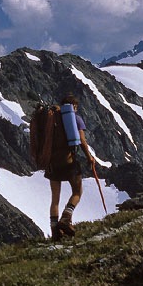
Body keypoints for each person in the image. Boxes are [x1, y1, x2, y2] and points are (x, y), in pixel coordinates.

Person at [46, 94, 91, 240]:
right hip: (69, 161)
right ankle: (66, 217)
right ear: (74, 107)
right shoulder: (75, 119)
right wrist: (90, 158)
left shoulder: (52, 119)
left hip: (51, 163)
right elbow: (82, 142)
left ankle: (55, 231)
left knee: (55, 199)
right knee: (77, 192)